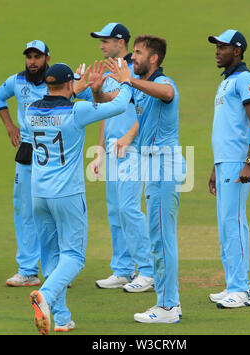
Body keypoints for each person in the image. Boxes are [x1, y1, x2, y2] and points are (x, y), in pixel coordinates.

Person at [26, 62, 133, 335]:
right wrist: (125, 82)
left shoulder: (31, 110)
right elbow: (119, 106)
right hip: (67, 194)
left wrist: (79, 89)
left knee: (51, 258)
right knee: (73, 256)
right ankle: (46, 296)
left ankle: (61, 318)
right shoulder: (76, 111)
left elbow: (62, 102)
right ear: (68, 84)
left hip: (38, 193)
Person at [106, 35, 185, 323]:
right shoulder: (139, 89)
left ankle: (167, 307)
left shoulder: (166, 82)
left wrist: (130, 81)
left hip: (164, 165)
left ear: (154, 59)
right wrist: (94, 92)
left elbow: (166, 94)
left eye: (137, 53)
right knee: (159, 238)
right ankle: (169, 303)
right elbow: (113, 103)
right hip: (153, 166)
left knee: (162, 239)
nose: (132, 57)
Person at [88, 23, 154, 292]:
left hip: (133, 149)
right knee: (115, 211)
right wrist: (100, 151)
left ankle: (148, 271)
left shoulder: (134, 71)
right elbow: (107, 112)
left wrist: (128, 137)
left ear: (121, 42)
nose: (102, 45)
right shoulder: (109, 72)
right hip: (114, 151)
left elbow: (147, 110)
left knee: (129, 209)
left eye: (106, 40)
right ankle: (123, 269)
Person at [207, 29, 250, 308]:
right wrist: (216, 167)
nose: (217, 50)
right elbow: (225, 129)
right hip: (224, 162)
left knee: (235, 223)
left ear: (238, 51)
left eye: (223, 47)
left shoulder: (245, 79)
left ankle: (241, 289)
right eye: (217, 46)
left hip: (238, 163)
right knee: (225, 225)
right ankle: (233, 284)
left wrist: (249, 163)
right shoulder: (227, 81)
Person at [0, 40, 50, 287]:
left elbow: (85, 93)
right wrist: (9, 126)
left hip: (52, 152)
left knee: (52, 211)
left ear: (47, 58)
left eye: (37, 57)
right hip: (27, 150)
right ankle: (28, 270)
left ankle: (56, 270)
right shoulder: (17, 81)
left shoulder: (57, 79)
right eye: (29, 57)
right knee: (24, 210)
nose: (32, 62)